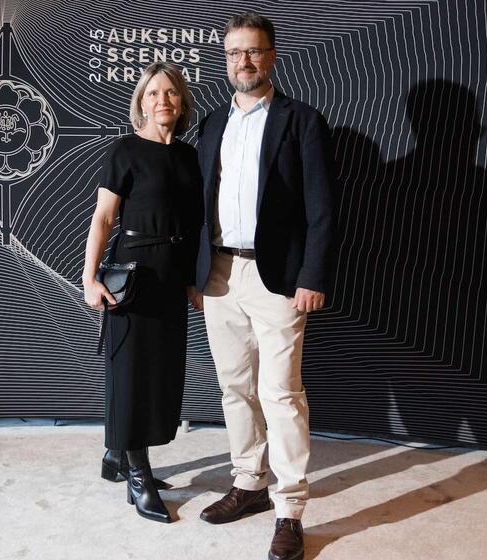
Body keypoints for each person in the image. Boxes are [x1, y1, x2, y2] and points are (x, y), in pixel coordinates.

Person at [192, 11, 334, 560]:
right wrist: (195, 275)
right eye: (234, 53)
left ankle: (289, 510)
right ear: (225, 60)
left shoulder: (302, 121)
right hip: (219, 274)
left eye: (252, 51)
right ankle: (248, 482)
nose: (243, 61)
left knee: (281, 393)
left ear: (271, 56)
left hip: (278, 278)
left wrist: (312, 275)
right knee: (234, 387)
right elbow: (199, 205)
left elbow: (322, 208)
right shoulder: (211, 124)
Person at [82, 62, 202, 524]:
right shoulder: (125, 150)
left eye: (170, 92)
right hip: (134, 276)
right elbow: (103, 218)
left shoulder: (189, 156)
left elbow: (193, 224)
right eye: (153, 93)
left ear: (181, 101)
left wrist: (191, 280)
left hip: (171, 276)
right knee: (132, 375)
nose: (162, 100)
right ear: (142, 103)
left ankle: (117, 457)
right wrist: (89, 278)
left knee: (160, 374)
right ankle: (139, 476)